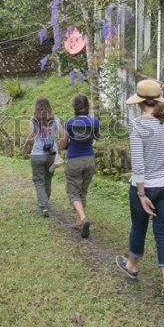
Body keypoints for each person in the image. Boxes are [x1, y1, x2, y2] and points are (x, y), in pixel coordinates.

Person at [115, 79, 164, 303]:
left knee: (139, 226)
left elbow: (138, 163)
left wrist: (141, 193)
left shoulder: (138, 125)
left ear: (140, 102)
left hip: (146, 187)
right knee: (163, 231)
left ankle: (132, 265)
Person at [59, 94, 100, 238]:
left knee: (73, 191)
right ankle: (78, 223)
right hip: (89, 159)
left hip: (74, 160)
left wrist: (61, 146)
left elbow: (63, 143)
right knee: (83, 190)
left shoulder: (69, 123)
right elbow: (97, 136)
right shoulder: (95, 122)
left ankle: (83, 218)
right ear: (87, 107)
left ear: (74, 108)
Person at [22, 96, 64, 217]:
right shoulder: (55, 119)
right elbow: (63, 135)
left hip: (37, 154)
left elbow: (30, 136)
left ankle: (43, 207)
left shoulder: (34, 119)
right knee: (48, 179)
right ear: (49, 107)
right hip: (51, 155)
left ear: (36, 107)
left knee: (39, 180)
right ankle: (46, 203)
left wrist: (25, 147)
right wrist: (59, 149)